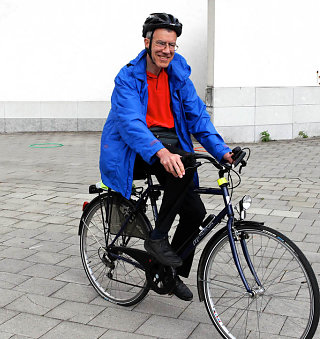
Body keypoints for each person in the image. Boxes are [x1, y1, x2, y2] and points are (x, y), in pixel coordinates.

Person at [99, 13, 234, 301]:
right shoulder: (128, 77)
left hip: (169, 145)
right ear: (147, 42)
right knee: (181, 164)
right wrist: (160, 152)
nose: (167, 51)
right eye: (161, 44)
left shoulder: (178, 73)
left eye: (172, 45)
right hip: (134, 147)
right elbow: (131, 123)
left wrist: (221, 150)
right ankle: (157, 238)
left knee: (196, 212)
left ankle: (169, 274)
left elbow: (197, 116)